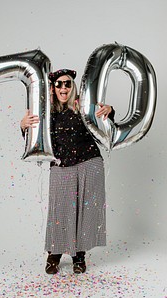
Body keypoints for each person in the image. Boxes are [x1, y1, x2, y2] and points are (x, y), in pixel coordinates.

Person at [20, 69, 115, 275]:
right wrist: (23, 126)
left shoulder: (81, 105)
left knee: (85, 210)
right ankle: (54, 253)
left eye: (68, 84)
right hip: (61, 165)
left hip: (89, 161)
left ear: (72, 87)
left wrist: (109, 110)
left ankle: (78, 255)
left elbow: (104, 119)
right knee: (60, 210)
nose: (64, 88)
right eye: (59, 84)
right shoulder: (45, 111)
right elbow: (35, 138)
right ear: (53, 89)